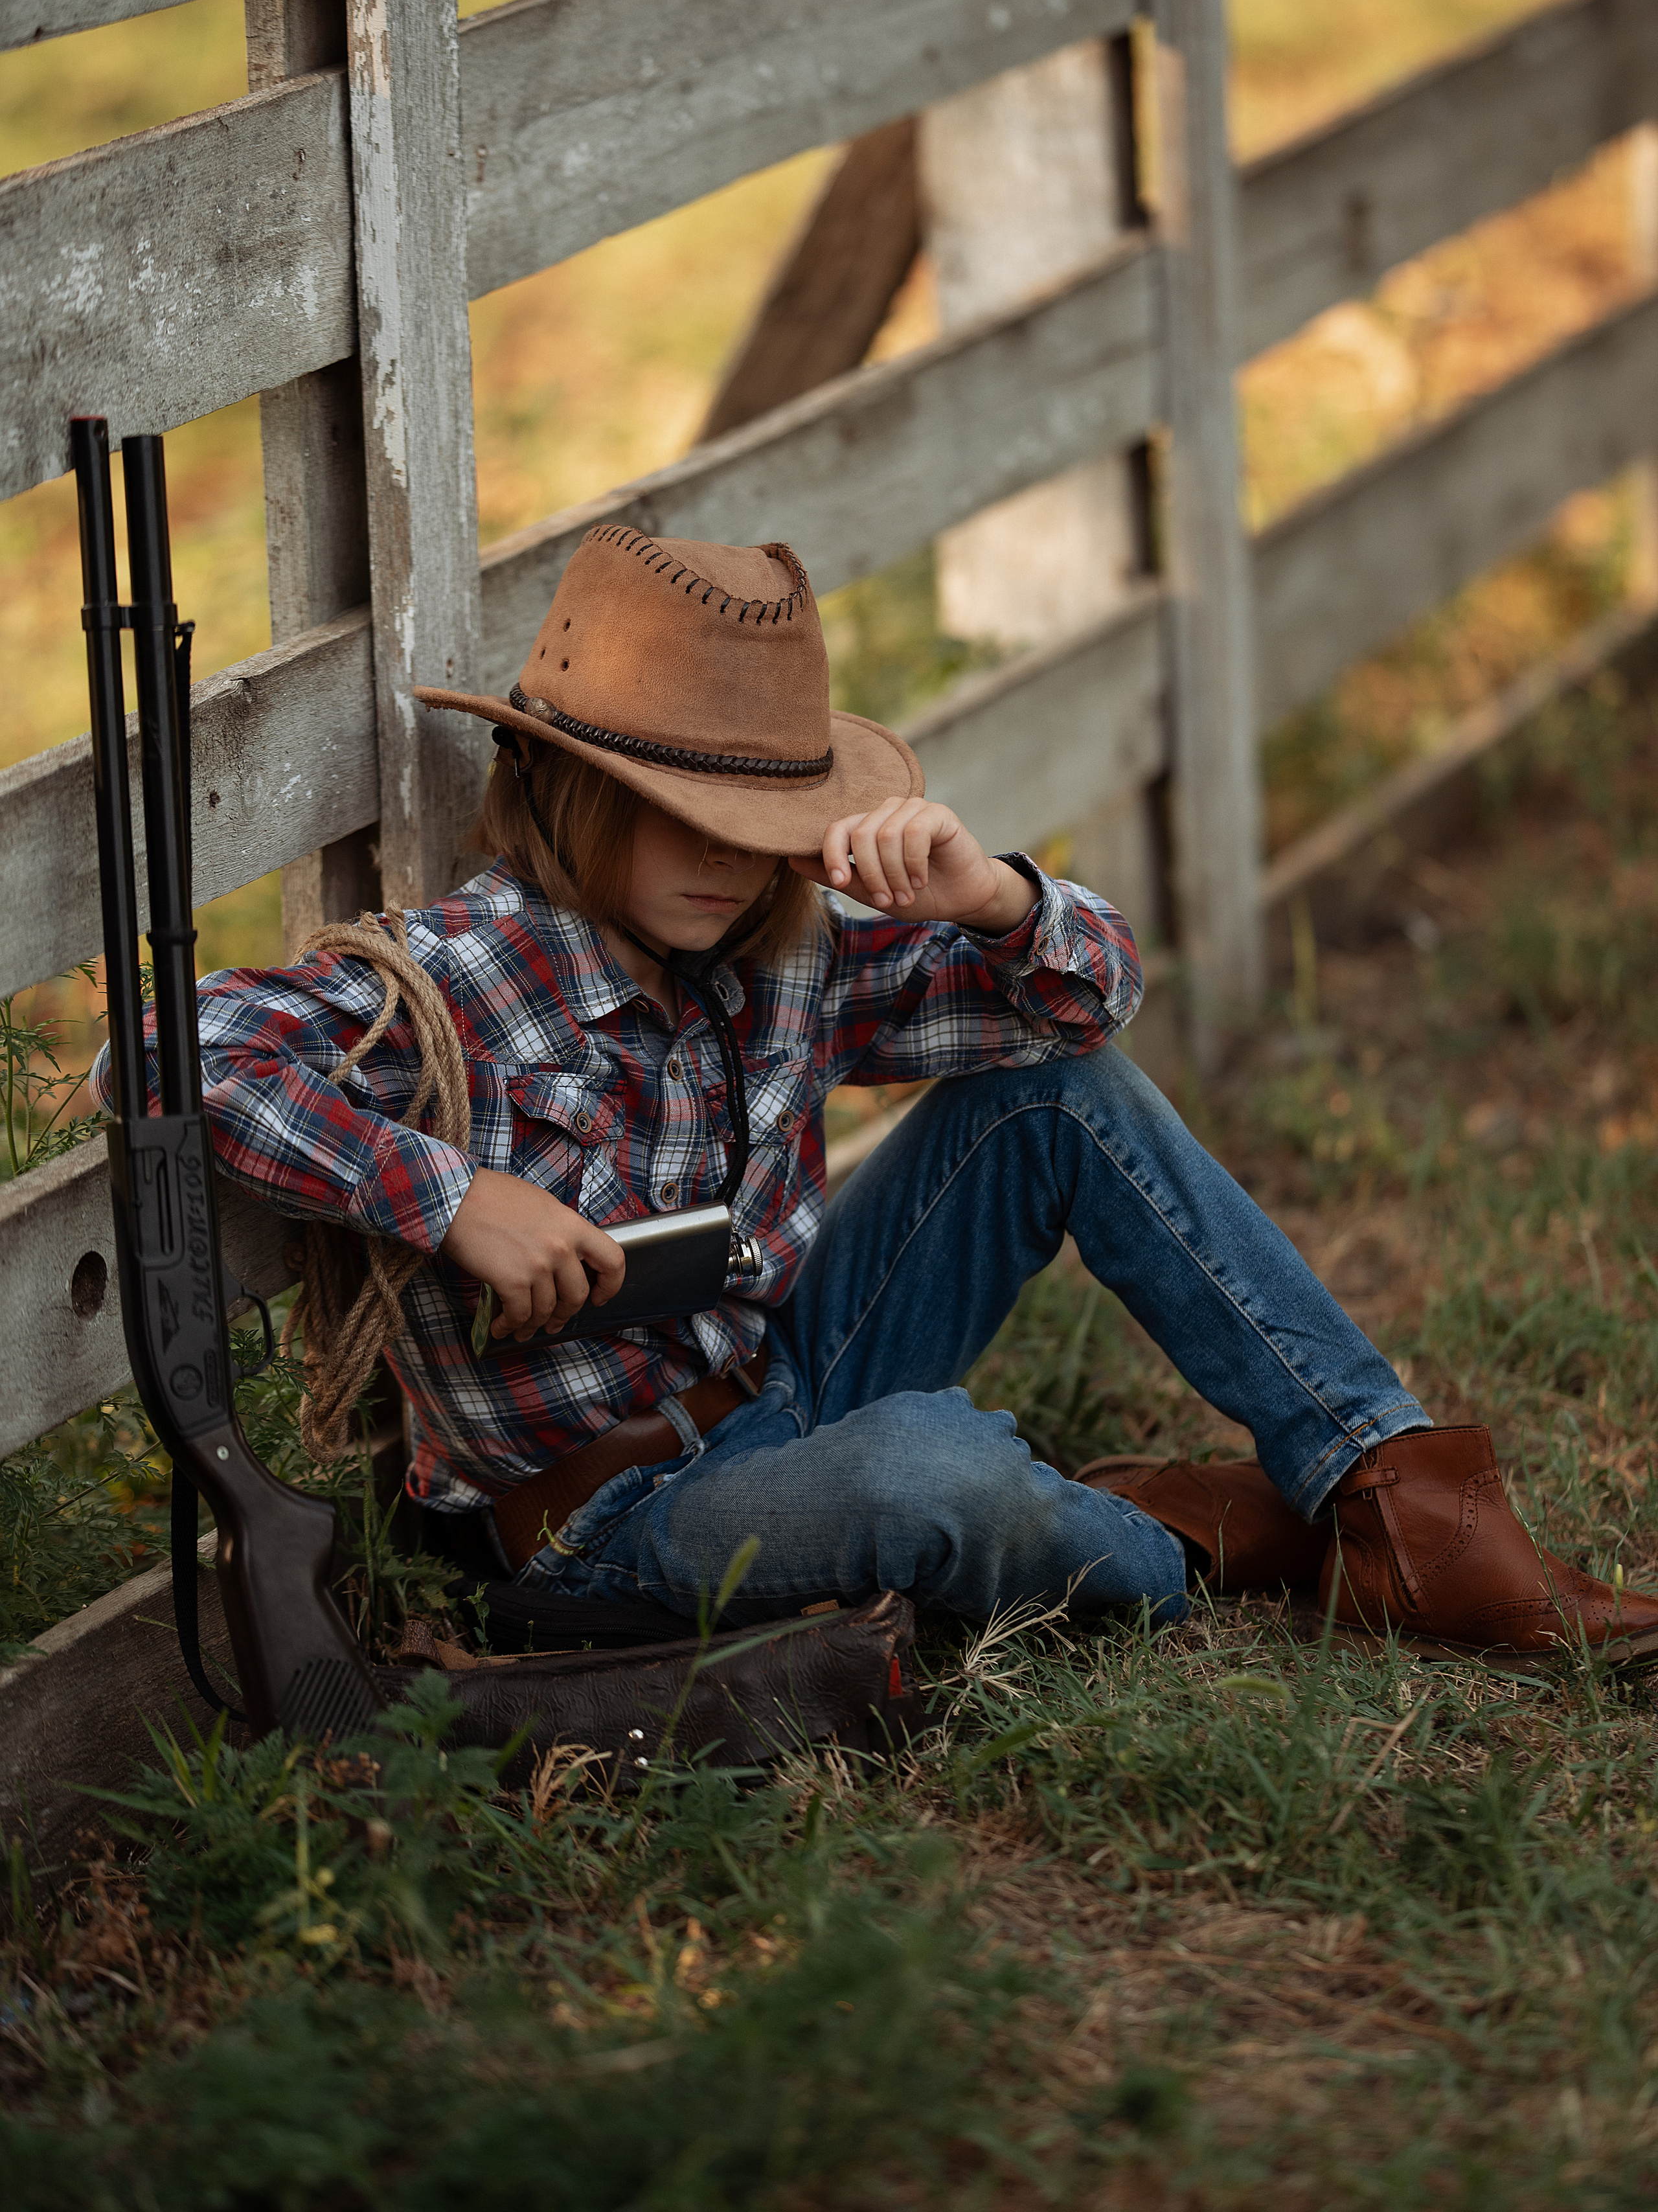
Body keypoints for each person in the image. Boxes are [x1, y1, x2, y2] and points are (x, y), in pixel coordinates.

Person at [104, 527, 1658, 1663]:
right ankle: (1188, 1538)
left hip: (787, 1382)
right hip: (604, 1525)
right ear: (567, 785)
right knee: (936, 1473)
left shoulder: (787, 955)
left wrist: (988, 897)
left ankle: (1387, 1489)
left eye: (764, 813)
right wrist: (451, 1199)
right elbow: (166, 1051)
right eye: (678, 812)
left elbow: (1077, 1004)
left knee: (1064, 1098)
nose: (728, 855)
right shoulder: (457, 978)